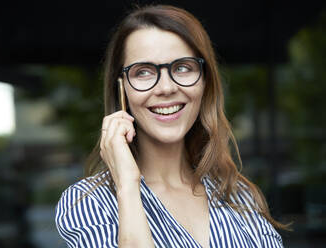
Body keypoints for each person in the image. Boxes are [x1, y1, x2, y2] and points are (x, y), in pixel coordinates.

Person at [55, 4, 287, 248]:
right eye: (143, 72)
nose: (166, 88)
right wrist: (127, 185)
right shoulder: (89, 203)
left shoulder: (239, 195)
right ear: (121, 88)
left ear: (204, 82)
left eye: (183, 67)